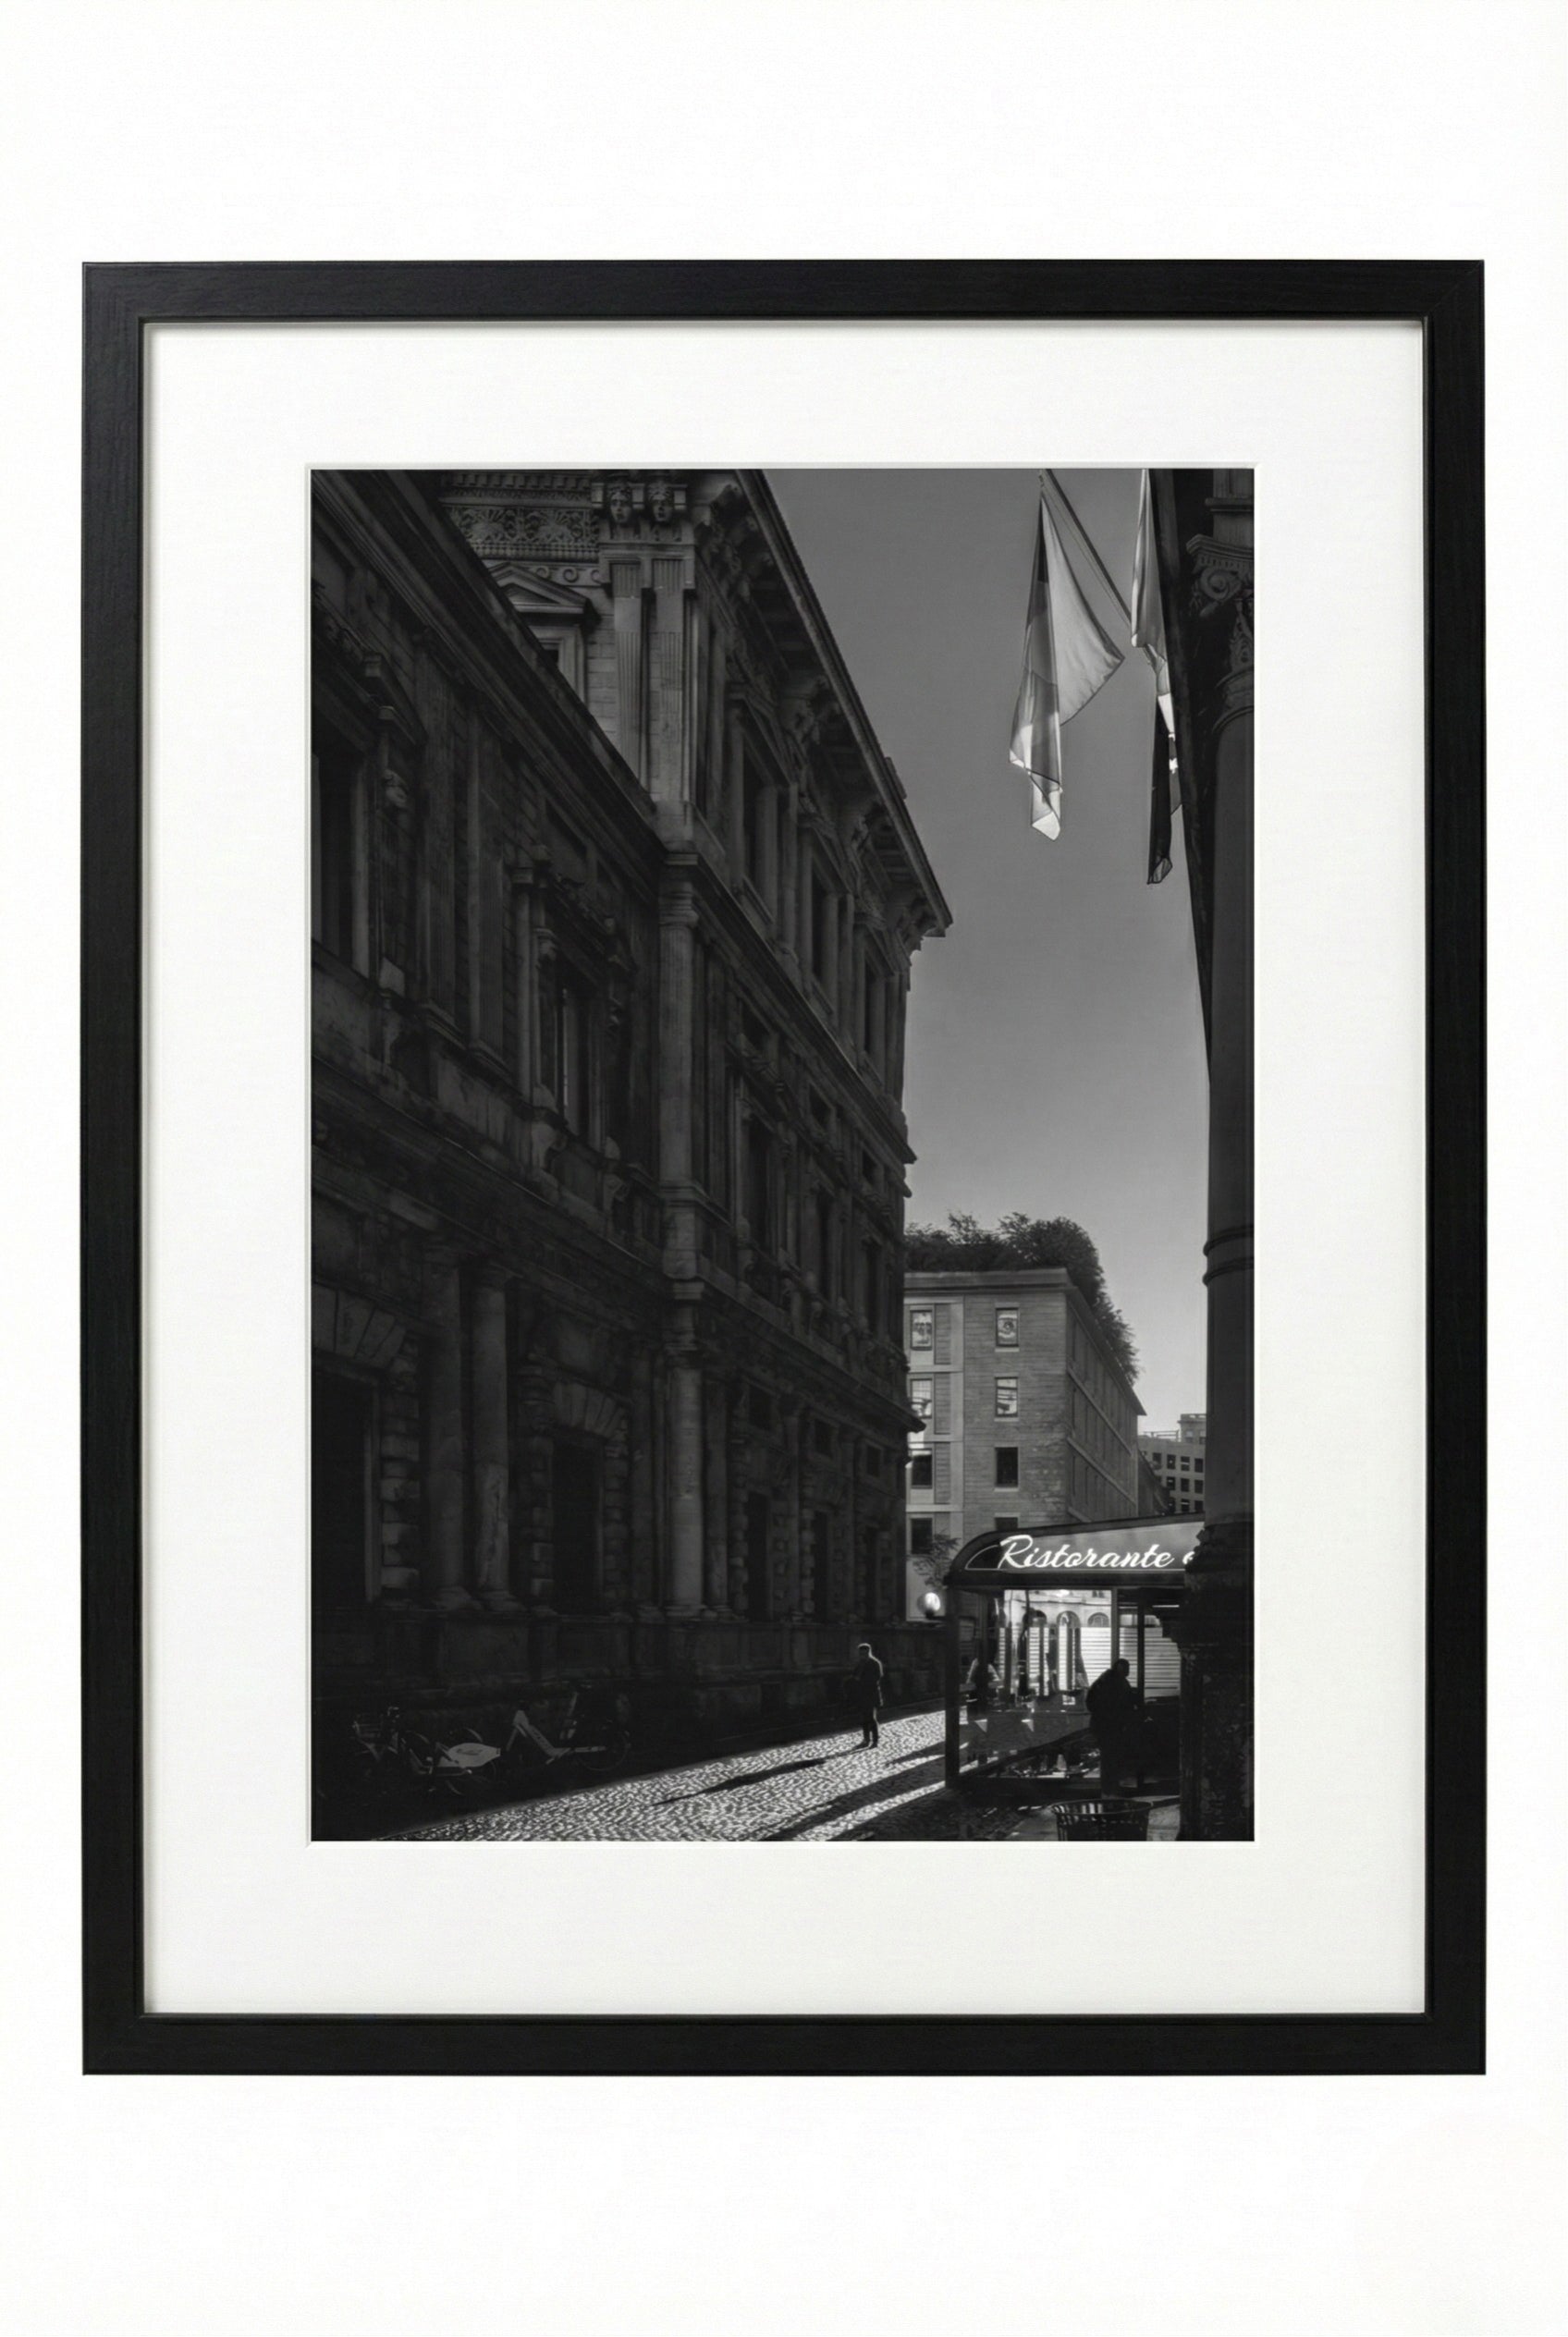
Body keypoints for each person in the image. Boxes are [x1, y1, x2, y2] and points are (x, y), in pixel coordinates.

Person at [1084, 1658, 1140, 1792]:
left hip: (1107, 1724)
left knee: (1110, 1756)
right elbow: (1120, 1702)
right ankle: (1109, 1786)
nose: (1128, 1671)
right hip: (1108, 1725)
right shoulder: (1111, 1682)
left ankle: (1110, 1784)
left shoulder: (1110, 1681)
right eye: (1125, 1668)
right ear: (1118, 1668)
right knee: (1110, 1756)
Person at [846, 1643, 886, 1749]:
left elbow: (877, 1678)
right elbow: (855, 1675)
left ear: (868, 1652)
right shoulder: (860, 1663)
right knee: (863, 1718)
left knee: (871, 1718)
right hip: (861, 1694)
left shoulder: (875, 1663)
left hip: (871, 1694)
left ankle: (875, 1739)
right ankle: (866, 1739)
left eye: (864, 1653)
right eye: (860, 1653)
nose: (862, 1655)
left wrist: (861, 1680)